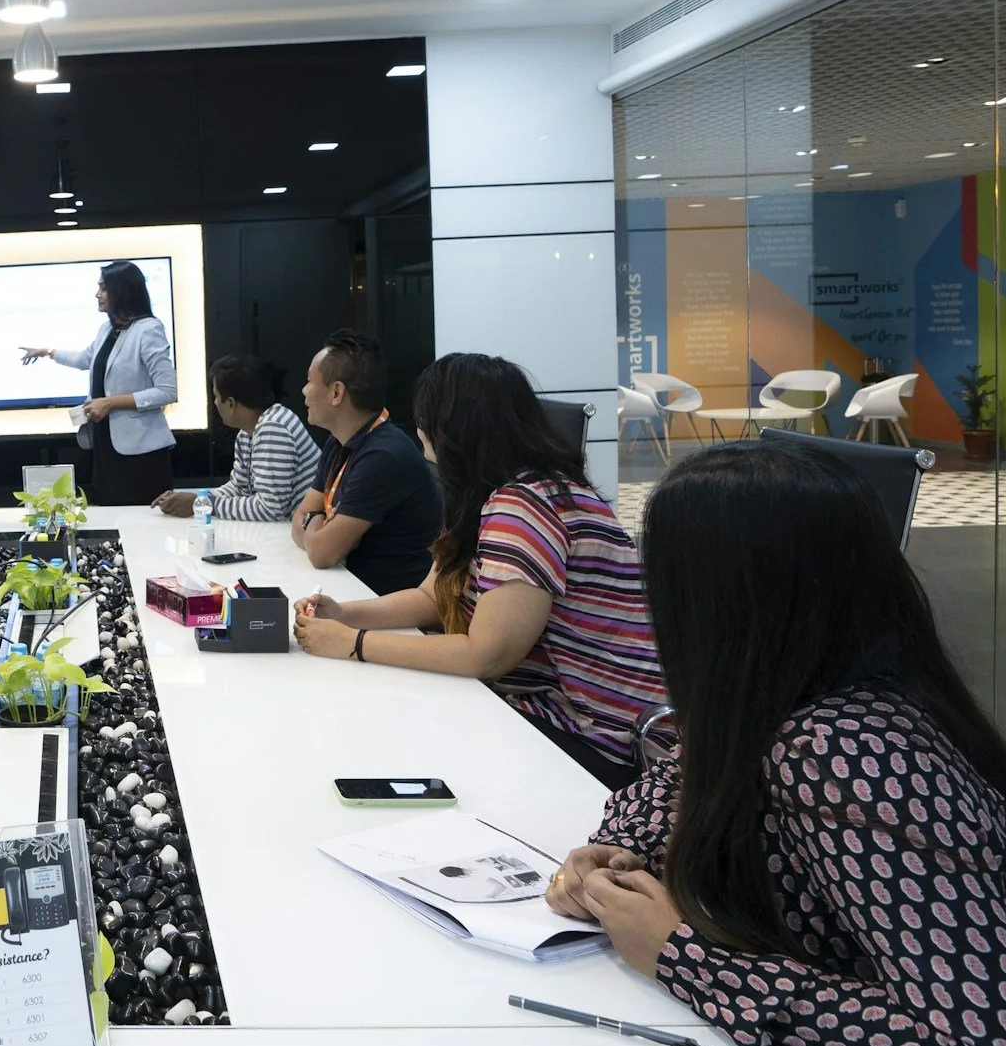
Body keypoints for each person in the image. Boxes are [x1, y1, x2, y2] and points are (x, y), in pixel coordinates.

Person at [541, 439, 1006, 1046]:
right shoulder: (777, 692)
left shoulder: (844, 753)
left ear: (721, 603)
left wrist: (688, 959)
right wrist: (609, 855)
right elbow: (678, 783)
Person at [293, 353, 664, 789]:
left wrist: (354, 644)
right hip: (547, 709)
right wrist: (346, 615)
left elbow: (487, 654)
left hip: (597, 736)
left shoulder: (523, 506)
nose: (418, 429)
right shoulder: (492, 495)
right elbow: (433, 597)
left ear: (451, 430)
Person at [287, 328, 440, 593]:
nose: (304, 391)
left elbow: (322, 554)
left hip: (390, 607)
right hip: (352, 589)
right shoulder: (338, 442)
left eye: (310, 381)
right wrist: (317, 524)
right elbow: (300, 516)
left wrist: (316, 525)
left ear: (336, 392)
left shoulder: (384, 455)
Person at [18, 260, 180, 505]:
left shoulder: (148, 329)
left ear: (122, 291)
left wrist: (111, 403)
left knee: (141, 518)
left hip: (141, 449)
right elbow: (85, 359)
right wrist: (48, 352)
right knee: (111, 511)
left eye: (103, 288)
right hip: (106, 442)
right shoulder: (108, 329)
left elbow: (167, 391)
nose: (97, 294)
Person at [152, 353, 315, 521]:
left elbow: (271, 509)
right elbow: (239, 487)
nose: (215, 403)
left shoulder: (274, 428)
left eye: (216, 396)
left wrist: (201, 504)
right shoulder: (247, 432)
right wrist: (190, 499)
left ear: (231, 404)